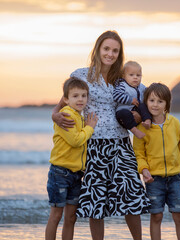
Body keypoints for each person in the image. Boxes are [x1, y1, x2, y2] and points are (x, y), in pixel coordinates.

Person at [52, 30, 150, 240]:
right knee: (95, 202)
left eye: (115, 50)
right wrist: (54, 116)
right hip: (94, 145)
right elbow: (62, 103)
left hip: (122, 144)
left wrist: (139, 117)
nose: (110, 54)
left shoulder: (124, 79)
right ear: (97, 49)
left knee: (131, 197)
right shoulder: (81, 75)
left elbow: (147, 103)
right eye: (106, 49)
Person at [133, 83, 180, 240]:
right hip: (154, 180)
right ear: (146, 102)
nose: (155, 104)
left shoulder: (174, 123)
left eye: (160, 101)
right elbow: (138, 154)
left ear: (167, 104)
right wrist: (144, 170)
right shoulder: (141, 127)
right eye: (152, 100)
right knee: (156, 217)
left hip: (174, 179)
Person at [45, 77, 98, 240]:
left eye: (83, 95)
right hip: (60, 173)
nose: (80, 99)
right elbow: (76, 141)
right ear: (66, 99)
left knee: (71, 218)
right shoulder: (66, 115)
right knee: (56, 215)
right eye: (75, 96)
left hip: (76, 175)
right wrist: (90, 128)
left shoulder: (79, 116)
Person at [113, 61, 152, 139]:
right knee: (124, 113)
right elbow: (116, 95)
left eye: (138, 75)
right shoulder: (122, 85)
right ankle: (135, 131)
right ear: (124, 76)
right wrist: (130, 100)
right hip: (124, 113)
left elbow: (149, 94)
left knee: (143, 106)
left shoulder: (141, 87)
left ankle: (147, 121)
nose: (135, 77)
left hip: (137, 111)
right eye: (131, 75)